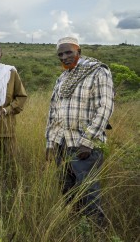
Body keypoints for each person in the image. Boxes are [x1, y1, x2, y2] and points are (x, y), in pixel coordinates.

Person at [45, 36, 114, 223]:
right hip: (62, 143)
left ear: (79, 51)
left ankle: (97, 236)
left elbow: (105, 108)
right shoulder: (63, 78)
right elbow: (53, 112)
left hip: (85, 146)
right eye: (60, 54)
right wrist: (50, 144)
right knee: (68, 192)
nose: (64, 57)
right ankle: (76, 231)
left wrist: (87, 141)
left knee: (89, 194)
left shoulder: (98, 71)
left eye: (68, 52)